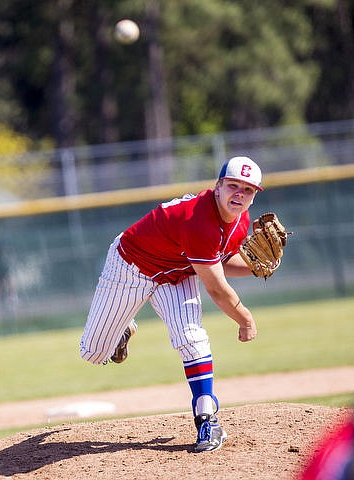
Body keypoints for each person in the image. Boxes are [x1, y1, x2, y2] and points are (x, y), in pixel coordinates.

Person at [80, 156, 264, 453]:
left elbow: (222, 260)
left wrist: (257, 266)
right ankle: (120, 329)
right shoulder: (199, 221)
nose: (239, 194)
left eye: (248, 190)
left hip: (177, 272)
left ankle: (207, 419)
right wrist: (244, 318)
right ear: (217, 187)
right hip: (131, 265)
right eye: (233, 186)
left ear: (254, 197)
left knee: (191, 337)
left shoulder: (239, 221)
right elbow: (216, 288)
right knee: (92, 352)